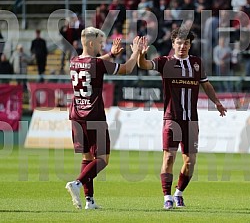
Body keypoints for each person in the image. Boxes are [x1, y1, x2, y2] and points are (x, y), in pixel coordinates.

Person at [137, 27, 227, 210]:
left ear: (190, 45)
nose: (182, 46)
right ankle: (167, 197)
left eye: (186, 43)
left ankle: (179, 193)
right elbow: (144, 65)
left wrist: (216, 102)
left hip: (191, 120)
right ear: (173, 44)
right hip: (171, 118)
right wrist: (140, 55)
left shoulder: (196, 63)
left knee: (190, 161)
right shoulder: (165, 62)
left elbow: (206, 85)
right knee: (169, 157)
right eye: (179, 42)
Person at [65, 26, 143, 210]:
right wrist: (136, 53)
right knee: (103, 159)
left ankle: (89, 201)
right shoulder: (97, 64)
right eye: (100, 42)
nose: (103, 45)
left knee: (87, 158)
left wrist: (110, 54)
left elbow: (93, 62)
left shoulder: (74, 61)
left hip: (76, 115)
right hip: (94, 116)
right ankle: (77, 183)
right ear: (91, 43)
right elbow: (127, 68)